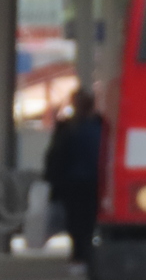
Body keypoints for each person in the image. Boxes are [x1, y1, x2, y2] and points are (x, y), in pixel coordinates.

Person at [44, 89, 103, 269]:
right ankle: (85, 253)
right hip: (93, 182)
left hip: (72, 182)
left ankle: (79, 255)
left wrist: (53, 180)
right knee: (88, 220)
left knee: (75, 221)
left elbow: (55, 156)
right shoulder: (99, 126)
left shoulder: (67, 128)